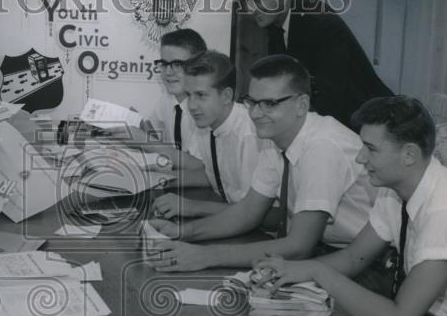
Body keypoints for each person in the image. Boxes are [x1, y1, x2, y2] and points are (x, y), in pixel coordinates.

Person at [252, 96, 447, 316]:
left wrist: (317, 272)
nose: (359, 158)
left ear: (409, 155)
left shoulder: (446, 212)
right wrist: (297, 269)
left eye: (370, 149)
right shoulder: (395, 188)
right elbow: (354, 258)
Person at [148, 54, 374, 274]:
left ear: (302, 105)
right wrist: (181, 232)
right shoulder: (275, 136)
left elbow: (299, 246)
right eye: (253, 102)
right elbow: (247, 212)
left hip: (365, 265)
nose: (256, 113)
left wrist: (206, 256)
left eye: (269, 104)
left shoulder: (322, 146)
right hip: (322, 252)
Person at [233, 0, 393, 130]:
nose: (249, 9)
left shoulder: (317, 22)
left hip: (371, 124)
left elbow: (331, 98)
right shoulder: (277, 23)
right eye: (245, 0)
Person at [150, 51, 261, 222]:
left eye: (201, 95)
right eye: (189, 95)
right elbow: (212, 177)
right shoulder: (208, 122)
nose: (192, 106)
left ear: (226, 96)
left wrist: (191, 207)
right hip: (226, 215)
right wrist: (158, 180)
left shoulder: (249, 134)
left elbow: (255, 213)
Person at [140, 28, 206, 154]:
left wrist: (143, 139)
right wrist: (137, 123)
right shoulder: (168, 99)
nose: (168, 72)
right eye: (164, 64)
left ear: (199, 65)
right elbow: (154, 134)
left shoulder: (203, 110)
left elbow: (195, 165)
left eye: (177, 64)